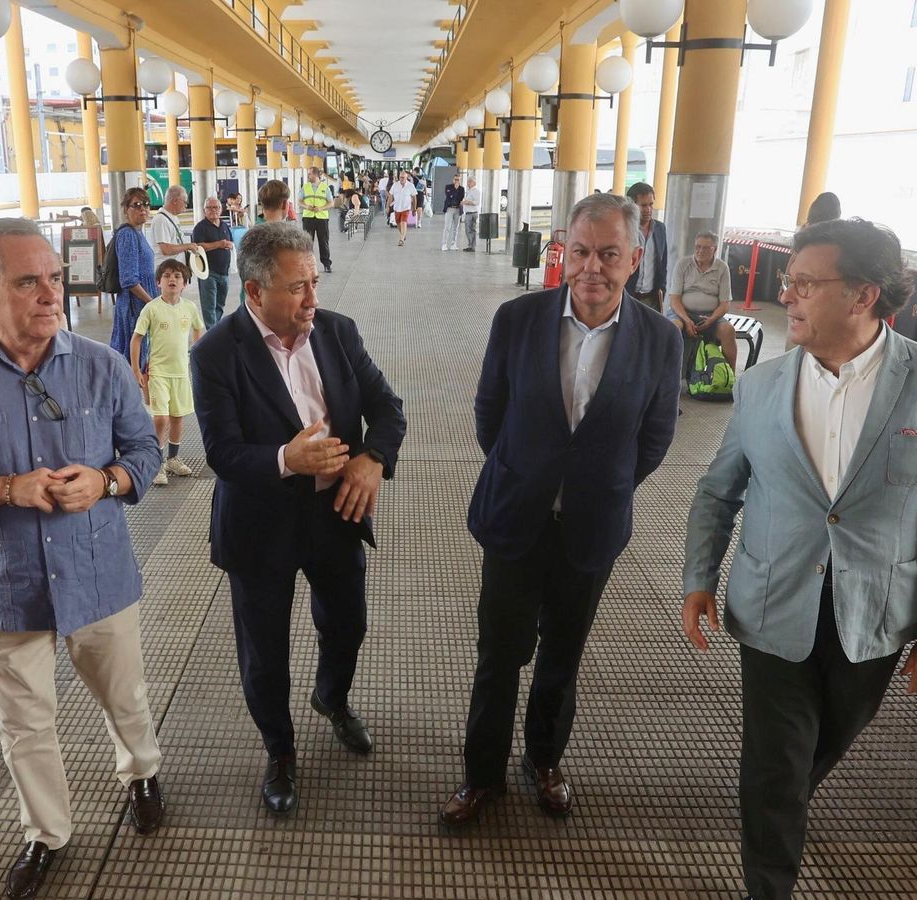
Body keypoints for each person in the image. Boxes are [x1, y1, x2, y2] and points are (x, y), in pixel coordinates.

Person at [681, 218, 917, 900]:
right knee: (776, 762)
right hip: (771, 602)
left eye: (804, 283)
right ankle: (770, 883)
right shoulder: (762, 386)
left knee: (819, 748)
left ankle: (777, 808)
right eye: (788, 282)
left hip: (879, 613)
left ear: (862, 294)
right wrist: (698, 578)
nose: (785, 295)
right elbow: (718, 490)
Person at [0, 218, 165, 900]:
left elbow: (145, 451)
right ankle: (46, 833)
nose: (51, 294)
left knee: (125, 696)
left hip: (99, 573)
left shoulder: (101, 366)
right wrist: (3, 489)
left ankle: (141, 772)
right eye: (29, 282)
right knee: (24, 724)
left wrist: (106, 480)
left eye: (54, 278)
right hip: (8, 583)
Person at [442, 193, 681, 828]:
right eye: (580, 251)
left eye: (608, 254)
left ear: (635, 258)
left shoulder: (659, 339)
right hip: (515, 517)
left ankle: (544, 761)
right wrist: (527, 473)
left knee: (563, 656)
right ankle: (482, 775)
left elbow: (656, 437)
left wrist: (600, 486)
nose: (591, 267)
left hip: (591, 527)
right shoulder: (518, 319)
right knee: (499, 654)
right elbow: (489, 413)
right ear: (563, 252)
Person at [190, 223, 407, 816]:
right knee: (265, 651)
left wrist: (372, 459)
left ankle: (331, 699)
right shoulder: (216, 353)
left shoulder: (337, 332)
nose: (313, 298)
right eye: (297, 287)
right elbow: (221, 452)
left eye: (314, 282)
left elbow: (388, 408)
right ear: (254, 292)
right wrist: (287, 458)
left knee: (348, 623)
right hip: (259, 526)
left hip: (336, 513)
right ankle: (280, 751)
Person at [130, 258, 205, 486]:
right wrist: (136, 369)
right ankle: (157, 462)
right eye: (167, 276)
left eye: (177, 276)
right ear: (158, 282)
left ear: (185, 284)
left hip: (181, 372)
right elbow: (136, 339)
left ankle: (173, 459)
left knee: (177, 417)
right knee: (161, 418)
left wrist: (196, 355)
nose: (172, 279)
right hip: (158, 373)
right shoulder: (151, 308)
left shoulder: (189, 307)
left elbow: (199, 330)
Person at [668, 231, 739, 370]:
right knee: (673, 328)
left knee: (728, 330)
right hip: (682, 313)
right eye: (698, 247)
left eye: (706, 248)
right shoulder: (683, 264)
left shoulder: (722, 268)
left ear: (715, 250)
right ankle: (668, 373)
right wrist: (687, 320)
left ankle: (729, 376)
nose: (700, 251)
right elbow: (674, 298)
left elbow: (725, 304)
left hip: (711, 315)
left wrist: (711, 320)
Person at [109, 187, 156, 379]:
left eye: (146, 204)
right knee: (132, 361)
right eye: (136, 205)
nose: (143, 208)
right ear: (126, 209)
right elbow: (128, 279)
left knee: (141, 358)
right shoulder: (128, 235)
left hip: (141, 303)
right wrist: (151, 302)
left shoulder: (138, 233)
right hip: (134, 306)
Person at [191, 195, 236, 327]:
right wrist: (219, 244)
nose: (213, 210)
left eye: (216, 207)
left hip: (224, 272)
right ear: (204, 210)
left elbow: (230, 241)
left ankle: (216, 329)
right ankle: (212, 332)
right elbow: (198, 247)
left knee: (220, 305)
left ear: (221, 209)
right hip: (208, 273)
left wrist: (229, 245)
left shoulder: (224, 225)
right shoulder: (200, 227)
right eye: (209, 208)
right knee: (209, 306)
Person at [625, 183, 668, 312]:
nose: (648, 209)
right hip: (627, 296)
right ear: (632, 206)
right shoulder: (623, 229)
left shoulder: (660, 229)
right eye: (643, 205)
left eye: (651, 204)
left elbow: (663, 263)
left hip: (651, 299)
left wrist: (662, 289)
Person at [149, 185, 198, 269]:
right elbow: (166, 249)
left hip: (176, 268)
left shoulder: (173, 217)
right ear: (175, 200)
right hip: (166, 270)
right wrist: (188, 246)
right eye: (185, 202)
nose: (186, 205)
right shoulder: (161, 219)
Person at [300, 167, 334, 274]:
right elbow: (299, 201)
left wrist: (321, 208)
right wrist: (307, 206)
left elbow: (331, 203)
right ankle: (307, 265)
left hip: (322, 218)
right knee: (307, 242)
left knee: (323, 241)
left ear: (315, 175)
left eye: (309, 174)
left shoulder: (325, 187)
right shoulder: (305, 187)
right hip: (308, 217)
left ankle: (327, 264)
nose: (308, 176)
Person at [389, 171, 417, 247]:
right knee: (398, 222)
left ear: (406, 178)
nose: (401, 179)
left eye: (403, 177)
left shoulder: (410, 186)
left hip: (406, 207)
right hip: (397, 207)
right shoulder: (395, 185)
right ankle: (403, 235)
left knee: (403, 222)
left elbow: (414, 198)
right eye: (400, 177)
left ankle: (401, 239)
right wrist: (388, 206)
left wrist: (414, 208)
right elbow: (390, 195)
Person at [442, 176, 466, 252]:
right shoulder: (448, 187)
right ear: (453, 180)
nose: (456, 181)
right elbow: (449, 196)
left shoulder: (462, 189)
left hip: (458, 209)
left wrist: (456, 190)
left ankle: (453, 244)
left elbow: (460, 198)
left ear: (460, 180)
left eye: (458, 180)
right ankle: (444, 244)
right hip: (449, 208)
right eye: (455, 179)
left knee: (455, 227)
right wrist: (455, 189)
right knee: (447, 227)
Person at [461, 174, 481, 252]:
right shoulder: (469, 191)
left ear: (474, 183)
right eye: (468, 181)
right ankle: (471, 245)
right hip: (468, 213)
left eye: (470, 181)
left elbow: (477, 202)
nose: (468, 183)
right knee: (469, 230)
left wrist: (467, 202)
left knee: (470, 230)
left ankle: (472, 246)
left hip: (472, 213)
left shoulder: (476, 191)